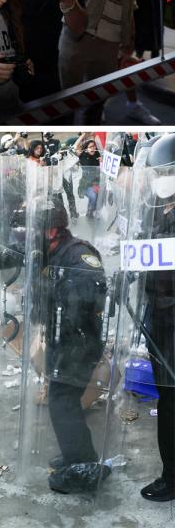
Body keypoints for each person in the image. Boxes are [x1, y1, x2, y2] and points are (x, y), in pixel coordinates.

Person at [34, 198, 110, 494]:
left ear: (52, 230)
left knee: (62, 402)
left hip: (76, 343)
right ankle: (77, 453)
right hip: (62, 342)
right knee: (62, 402)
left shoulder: (79, 255)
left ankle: (83, 468)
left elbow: (86, 300)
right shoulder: (52, 251)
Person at [138, 134, 175, 503]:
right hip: (159, 316)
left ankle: (172, 477)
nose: (160, 179)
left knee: (171, 400)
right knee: (167, 397)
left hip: (173, 316)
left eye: (166, 172)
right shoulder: (155, 207)